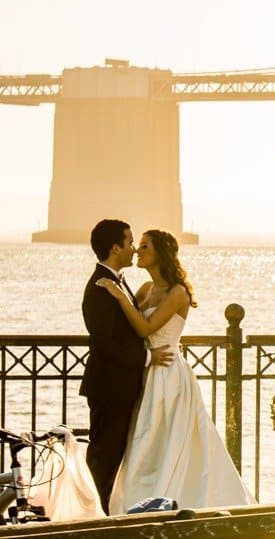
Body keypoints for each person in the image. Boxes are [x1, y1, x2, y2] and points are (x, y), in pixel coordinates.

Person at [95, 229, 255, 512]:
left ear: (160, 254)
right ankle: (138, 503)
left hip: (168, 373)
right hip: (147, 370)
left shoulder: (177, 292)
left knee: (165, 439)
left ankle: (171, 497)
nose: (137, 251)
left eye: (144, 247)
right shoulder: (144, 289)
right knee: (143, 441)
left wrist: (120, 297)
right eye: (137, 245)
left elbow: (146, 327)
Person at [80, 219, 174, 515]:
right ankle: (96, 519)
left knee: (115, 457)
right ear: (115, 247)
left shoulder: (117, 281)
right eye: (130, 243)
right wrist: (148, 359)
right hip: (109, 387)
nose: (134, 249)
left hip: (122, 386)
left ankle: (108, 512)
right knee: (103, 457)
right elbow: (107, 344)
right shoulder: (99, 288)